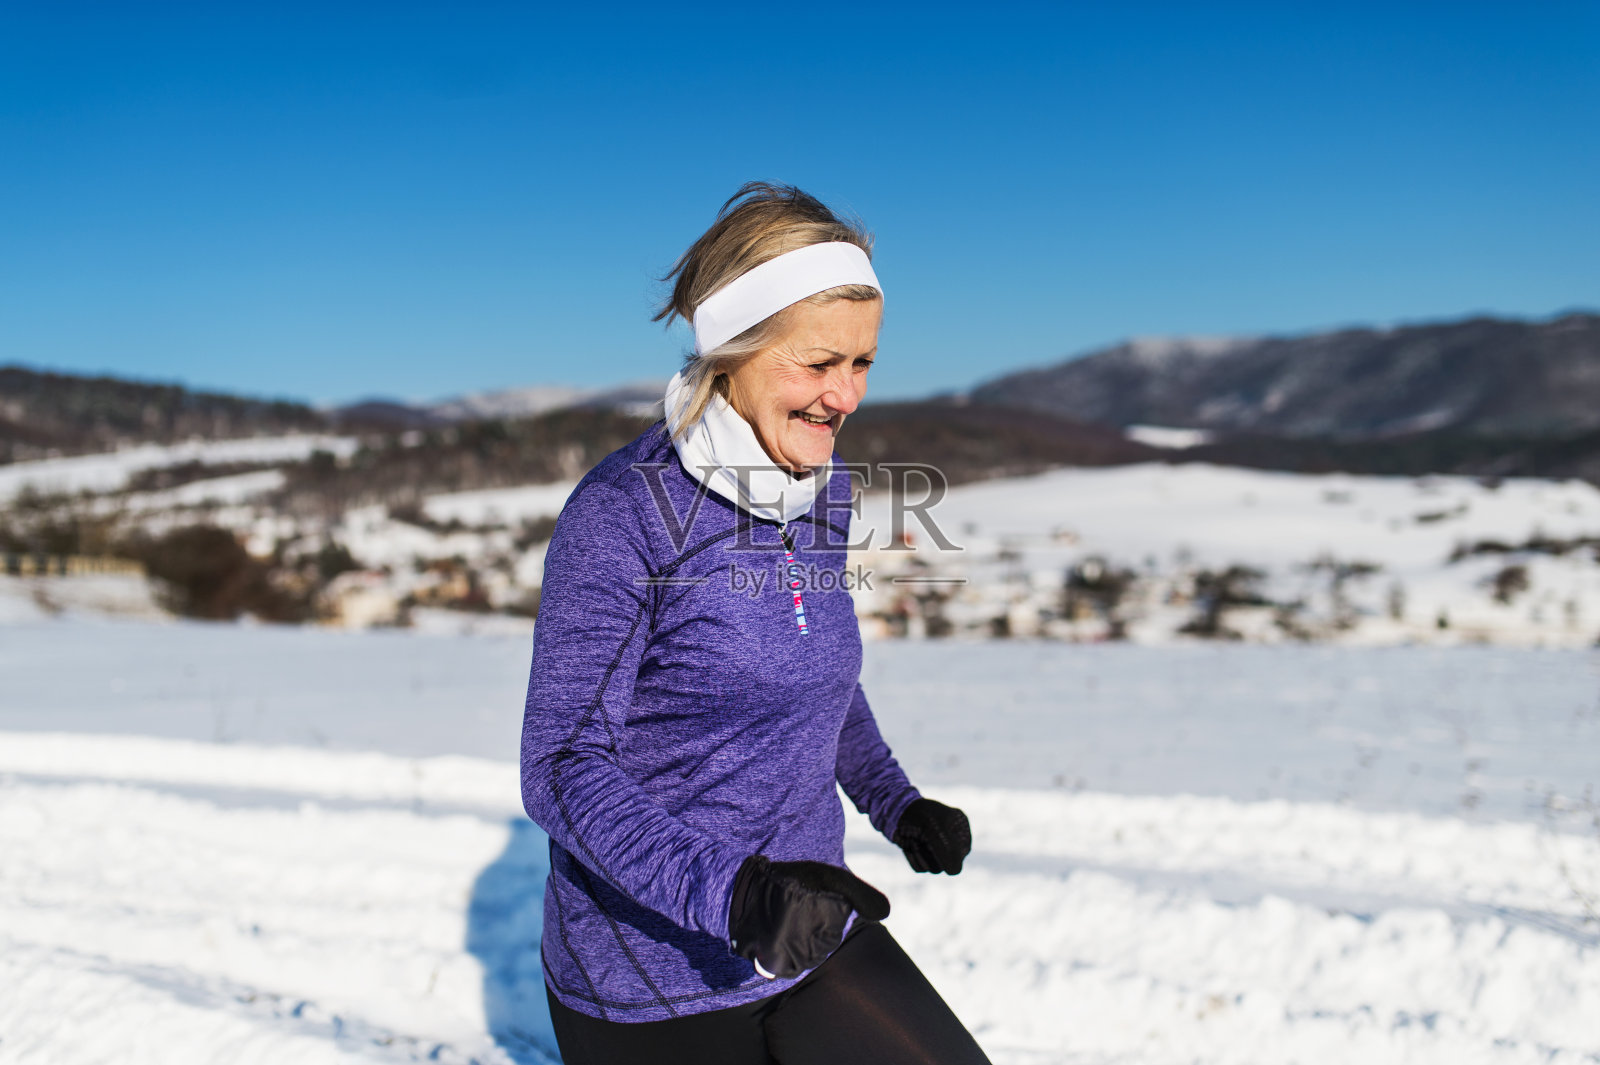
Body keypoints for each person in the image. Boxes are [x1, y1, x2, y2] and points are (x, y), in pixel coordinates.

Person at [520, 182, 990, 1064]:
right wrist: (737, 896)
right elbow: (561, 765)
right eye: (819, 363)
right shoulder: (623, 514)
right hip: (653, 972)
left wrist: (896, 800)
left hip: (809, 924)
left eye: (863, 363)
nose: (845, 396)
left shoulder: (821, 491)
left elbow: (816, 673)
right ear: (732, 349)